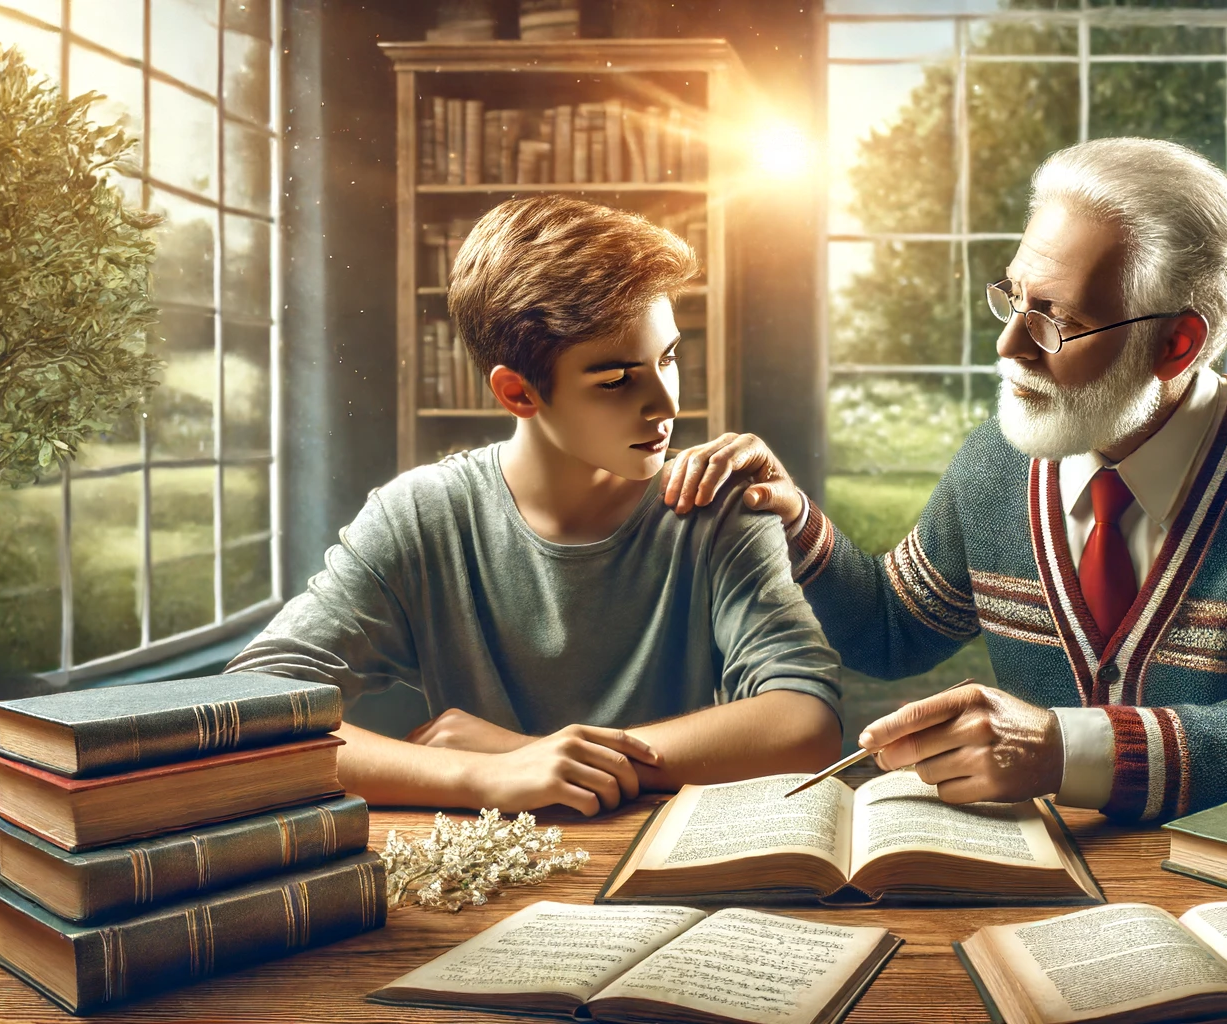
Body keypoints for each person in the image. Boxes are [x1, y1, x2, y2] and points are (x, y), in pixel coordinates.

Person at [664, 138, 1227, 823]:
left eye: (1055, 318)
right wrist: (795, 520)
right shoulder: (998, 459)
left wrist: (1062, 750)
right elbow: (893, 632)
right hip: (1041, 877)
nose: (1009, 342)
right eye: (1013, 296)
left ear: (1176, 345)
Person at [228, 196, 843, 816]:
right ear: (518, 393)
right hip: (486, 864)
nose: (666, 405)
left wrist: (528, 755)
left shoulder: (717, 503)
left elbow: (805, 723)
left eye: (669, 358)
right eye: (616, 380)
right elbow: (254, 710)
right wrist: (481, 776)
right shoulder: (420, 515)